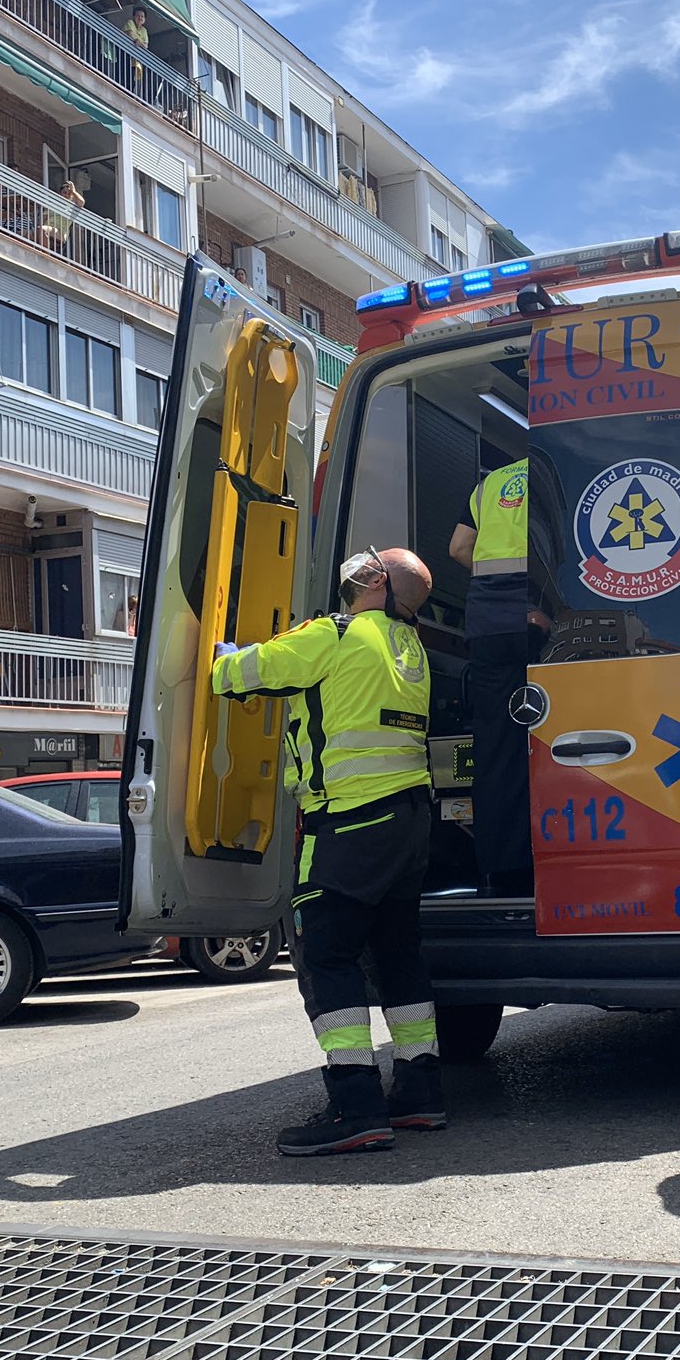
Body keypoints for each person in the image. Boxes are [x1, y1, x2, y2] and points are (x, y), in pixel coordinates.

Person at [209, 547, 443, 1156]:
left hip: (348, 822)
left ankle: (355, 1105)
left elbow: (235, 677)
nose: (359, 569)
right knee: (397, 954)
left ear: (378, 582)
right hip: (409, 821)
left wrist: (224, 656)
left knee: (326, 953)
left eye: (372, 564)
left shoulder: (337, 634)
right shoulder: (409, 647)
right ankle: (420, 1094)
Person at [450, 457, 533, 896]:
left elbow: (459, 548)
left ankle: (503, 876)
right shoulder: (553, 469)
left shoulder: (492, 483)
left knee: (497, 750)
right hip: (539, 620)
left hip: (487, 626)